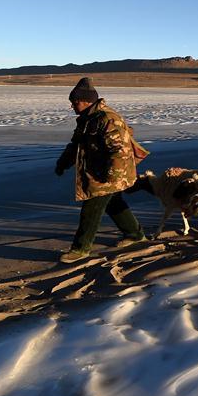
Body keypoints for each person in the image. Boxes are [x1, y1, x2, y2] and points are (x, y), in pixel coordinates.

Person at [55, 77, 145, 263]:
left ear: (86, 101)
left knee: (92, 208)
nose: (72, 106)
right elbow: (76, 145)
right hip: (99, 171)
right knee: (114, 204)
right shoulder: (87, 119)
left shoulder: (107, 119)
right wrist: (63, 163)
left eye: (75, 102)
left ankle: (81, 248)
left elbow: (119, 150)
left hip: (109, 173)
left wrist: (112, 176)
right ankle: (135, 234)